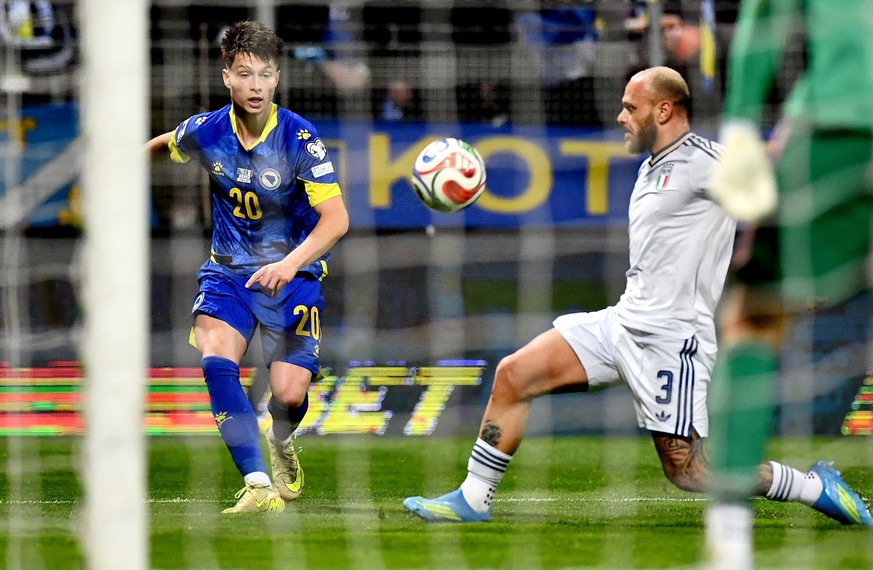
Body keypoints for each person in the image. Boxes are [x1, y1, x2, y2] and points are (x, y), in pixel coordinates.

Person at [402, 66, 869, 528]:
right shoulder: (651, 168)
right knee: (513, 374)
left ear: (664, 109)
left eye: (630, 107)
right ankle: (473, 498)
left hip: (673, 339)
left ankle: (814, 486)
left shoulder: (707, 160)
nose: (621, 116)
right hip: (624, 322)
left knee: (690, 471)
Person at [146, 20, 349, 513]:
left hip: (293, 278)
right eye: (245, 73)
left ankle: (281, 435)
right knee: (216, 354)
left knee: (288, 391)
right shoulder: (207, 131)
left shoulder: (301, 137)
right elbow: (163, 144)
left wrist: (290, 263)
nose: (255, 85)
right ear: (227, 78)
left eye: (265, 74)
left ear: (277, 78)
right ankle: (257, 484)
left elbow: (336, 220)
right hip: (227, 273)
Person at [706, 0, 873, 565]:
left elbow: (765, 17)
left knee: (755, 315)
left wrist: (739, 129)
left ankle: (731, 543)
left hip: (839, 123)